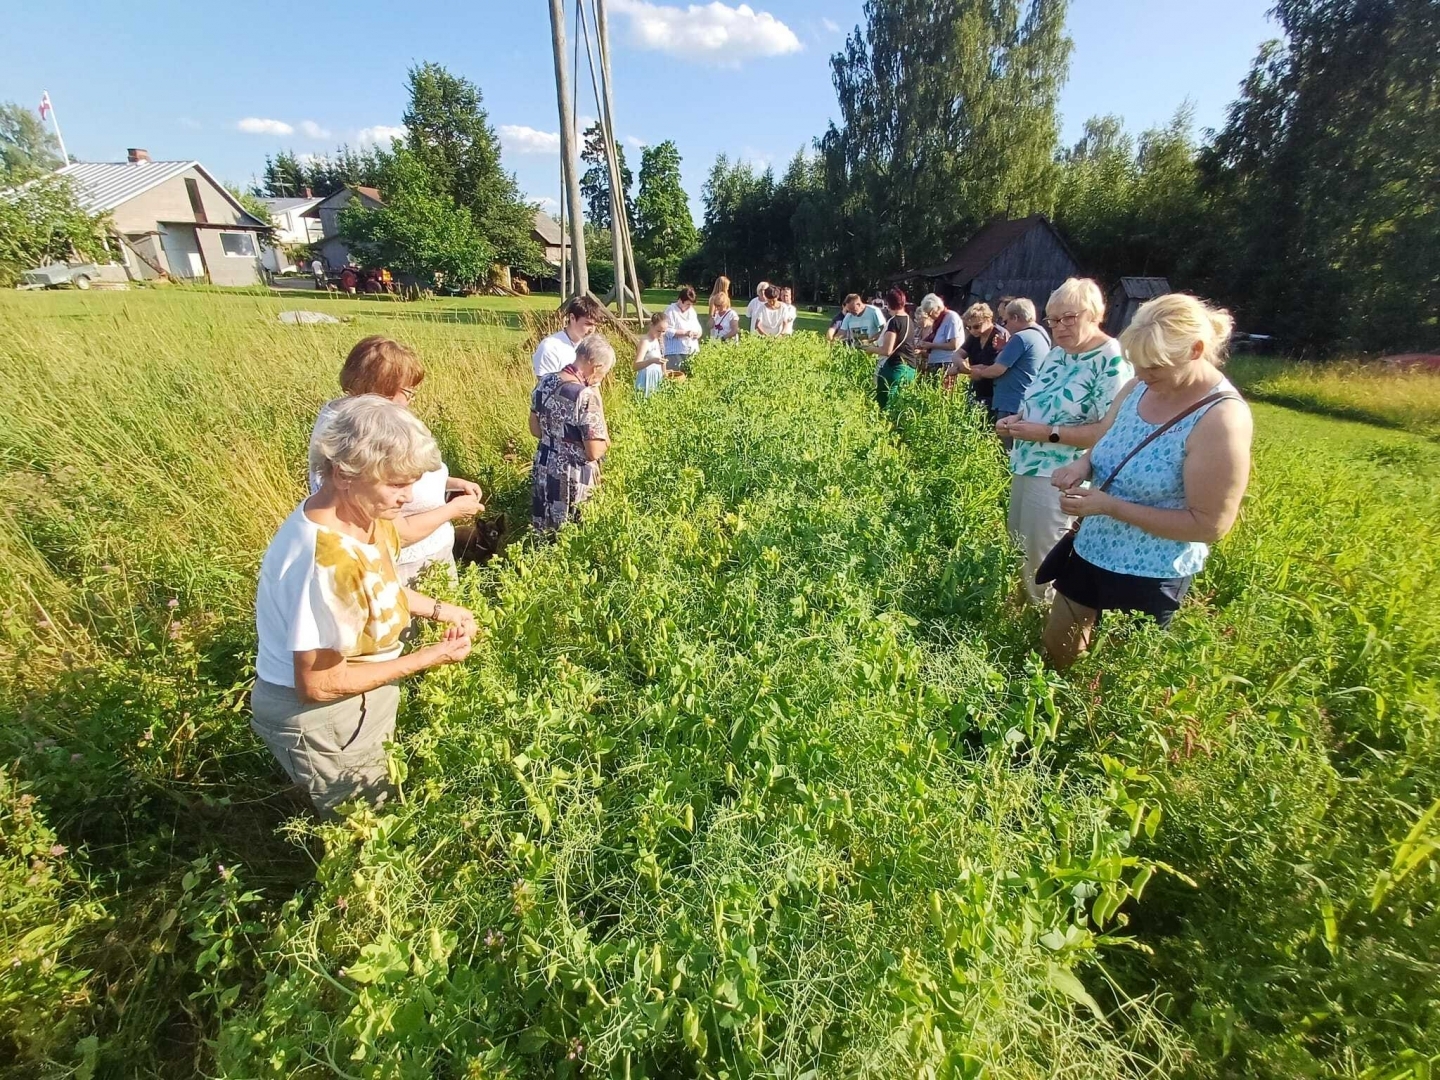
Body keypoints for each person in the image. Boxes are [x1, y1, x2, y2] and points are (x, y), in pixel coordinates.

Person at [252, 395, 477, 816]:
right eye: (395, 484)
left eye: (410, 482)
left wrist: (443, 609)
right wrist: (431, 656)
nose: (407, 497)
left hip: (354, 705)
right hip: (326, 719)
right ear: (343, 474)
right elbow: (319, 684)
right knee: (363, 828)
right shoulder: (325, 563)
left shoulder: (360, 516)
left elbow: (378, 584)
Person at [1043, 294, 1252, 666]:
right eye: (1136, 365)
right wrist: (1081, 467)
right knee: (1058, 645)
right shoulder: (1139, 385)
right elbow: (1106, 439)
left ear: (1196, 350)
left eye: (1153, 367)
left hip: (1149, 573)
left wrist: (1110, 506)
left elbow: (1210, 525)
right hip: (1091, 550)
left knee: (1119, 673)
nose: (1140, 376)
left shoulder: (1221, 419)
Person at [996, 278, 1132, 605]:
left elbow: (1109, 430)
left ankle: (1042, 625)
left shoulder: (1110, 359)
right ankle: (1022, 613)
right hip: (1027, 461)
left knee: (1042, 552)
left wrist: (1046, 433)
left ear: (1094, 314)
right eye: (1053, 320)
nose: (1059, 327)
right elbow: (1037, 404)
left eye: (1068, 318)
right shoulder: (1059, 355)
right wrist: (1015, 420)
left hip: (1061, 474)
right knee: (1019, 544)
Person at [309, 336, 484, 585]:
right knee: (419, 622)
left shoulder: (363, 420)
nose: (411, 399)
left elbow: (393, 473)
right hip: (409, 566)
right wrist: (454, 510)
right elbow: (398, 534)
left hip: (430, 551)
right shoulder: (362, 437)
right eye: (407, 392)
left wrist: (447, 482)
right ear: (382, 388)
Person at [530, 334, 617, 533]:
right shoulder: (584, 395)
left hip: (544, 464)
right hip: (571, 475)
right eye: (604, 373)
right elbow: (595, 450)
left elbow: (535, 429)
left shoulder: (546, 381)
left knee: (545, 532)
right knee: (571, 534)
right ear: (596, 367)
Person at [966, 298, 1049, 439]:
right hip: (1026, 401)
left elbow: (998, 369)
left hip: (1011, 403)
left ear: (1015, 318)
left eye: (1005, 321)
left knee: (1005, 449)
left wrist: (978, 373)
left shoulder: (1020, 338)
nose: (1005, 326)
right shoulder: (1041, 335)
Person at [861, 287, 917, 408]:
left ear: (888, 304)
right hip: (910, 368)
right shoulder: (909, 320)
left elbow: (887, 350)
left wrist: (870, 349)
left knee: (886, 404)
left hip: (895, 368)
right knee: (900, 405)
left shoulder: (894, 322)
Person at [532, 295, 603, 379]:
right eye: (588, 324)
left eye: (595, 325)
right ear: (572, 318)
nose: (592, 330)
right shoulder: (550, 347)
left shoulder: (590, 347)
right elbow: (545, 387)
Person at [951, 303, 1009, 401]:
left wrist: (958, 369)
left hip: (994, 390)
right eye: (969, 327)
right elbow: (957, 354)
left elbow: (989, 366)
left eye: (976, 326)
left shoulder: (999, 335)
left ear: (988, 319)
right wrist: (960, 362)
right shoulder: (974, 336)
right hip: (976, 387)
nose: (973, 330)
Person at [913, 294, 964, 376]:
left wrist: (931, 345)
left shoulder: (951, 317)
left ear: (937, 308)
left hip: (945, 363)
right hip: (935, 361)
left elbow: (953, 345)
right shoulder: (939, 320)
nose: (929, 316)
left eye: (930, 313)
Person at [663, 286, 703, 374]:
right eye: (688, 304)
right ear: (680, 301)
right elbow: (666, 331)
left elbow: (698, 327)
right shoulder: (670, 311)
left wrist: (698, 333)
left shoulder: (692, 311)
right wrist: (685, 333)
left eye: (691, 304)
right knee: (676, 376)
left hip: (691, 351)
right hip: (675, 352)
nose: (690, 307)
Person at [635, 313, 666, 396]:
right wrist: (652, 361)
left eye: (663, 332)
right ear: (652, 326)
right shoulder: (645, 341)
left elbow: (662, 359)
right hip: (646, 378)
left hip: (657, 377)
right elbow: (635, 366)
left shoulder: (658, 340)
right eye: (658, 331)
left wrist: (665, 372)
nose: (661, 334)